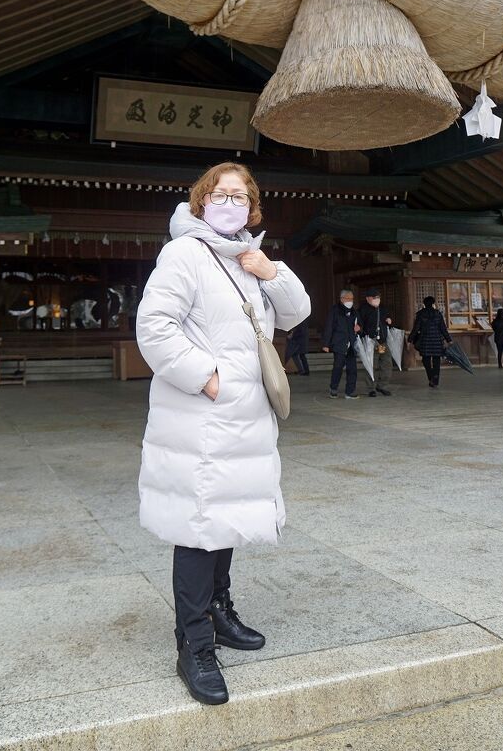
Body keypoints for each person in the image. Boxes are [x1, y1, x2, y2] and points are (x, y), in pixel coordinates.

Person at [136, 162, 310, 706]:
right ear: (201, 200)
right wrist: (205, 377)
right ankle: (194, 643)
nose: (230, 202)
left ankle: (219, 609)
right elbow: (153, 325)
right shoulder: (184, 253)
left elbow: (295, 315)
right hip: (202, 415)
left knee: (226, 515)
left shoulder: (247, 258)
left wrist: (270, 269)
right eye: (220, 193)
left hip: (245, 416)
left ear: (253, 206)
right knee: (197, 524)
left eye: (240, 195)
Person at [322, 290, 361, 399]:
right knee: (338, 367)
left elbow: (360, 325)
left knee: (352, 369)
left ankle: (350, 391)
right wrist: (326, 344)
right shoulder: (335, 310)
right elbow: (329, 327)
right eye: (348, 299)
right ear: (342, 299)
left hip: (351, 345)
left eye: (352, 299)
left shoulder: (354, 312)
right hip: (339, 343)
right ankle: (333, 388)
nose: (350, 301)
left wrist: (359, 328)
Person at [408, 296, 452, 387]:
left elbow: (416, 329)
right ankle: (435, 380)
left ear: (424, 304)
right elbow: (443, 328)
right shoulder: (438, 314)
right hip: (437, 340)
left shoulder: (420, 314)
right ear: (433, 304)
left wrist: (409, 339)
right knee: (436, 361)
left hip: (425, 340)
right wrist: (449, 340)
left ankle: (431, 376)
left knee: (425, 360)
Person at [359, 288, 393, 397]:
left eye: (378, 297)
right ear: (368, 298)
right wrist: (362, 333)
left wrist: (389, 321)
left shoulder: (382, 308)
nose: (376, 300)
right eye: (374, 298)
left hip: (382, 341)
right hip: (370, 341)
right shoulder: (363, 309)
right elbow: (359, 325)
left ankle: (382, 385)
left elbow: (388, 321)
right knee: (371, 365)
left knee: (386, 363)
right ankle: (370, 388)